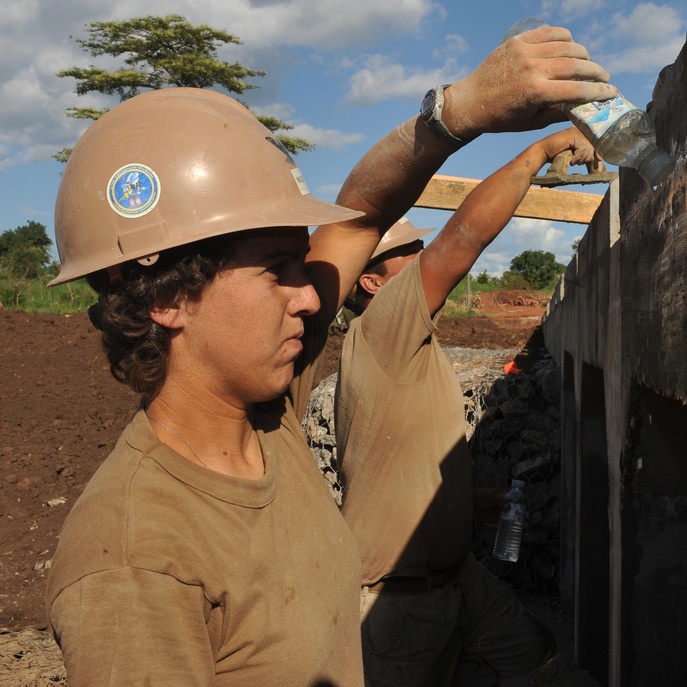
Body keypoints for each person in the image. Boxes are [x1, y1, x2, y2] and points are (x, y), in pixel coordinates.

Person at [43, 23, 616, 686]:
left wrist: (459, 112)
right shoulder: (134, 558)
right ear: (166, 300)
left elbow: (361, 210)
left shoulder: (267, 416)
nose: (311, 295)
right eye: (277, 269)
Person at [336, 126, 599, 686]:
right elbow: (464, 237)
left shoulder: (412, 343)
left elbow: (405, 460)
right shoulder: (382, 327)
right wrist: (542, 149)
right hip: (398, 600)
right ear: (370, 283)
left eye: (416, 247)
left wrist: (472, 501)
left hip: (458, 579)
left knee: (536, 653)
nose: (421, 256)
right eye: (406, 254)